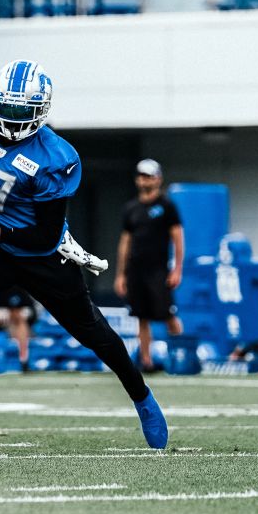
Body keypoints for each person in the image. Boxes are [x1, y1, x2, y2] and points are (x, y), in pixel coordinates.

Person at [0, 59, 168, 449]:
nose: (12, 119)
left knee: (93, 332)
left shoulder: (55, 157)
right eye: (7, 108)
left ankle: (142, 398)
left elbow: (43, 234)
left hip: (41, 253)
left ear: (41, 111)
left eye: (21, 111)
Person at [114, 159, 184, 373]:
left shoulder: (167, 207)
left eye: (150, 176)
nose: (145, 180)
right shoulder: (131, 209)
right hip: (136, 271)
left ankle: (181, 358)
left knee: (168, 316)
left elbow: (178, 238)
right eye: (142, 176)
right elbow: (125, 243)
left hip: (159, 270)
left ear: (158, 179)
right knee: (141, 318)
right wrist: (120, 274)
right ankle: (147, 362)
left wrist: (177, 269)